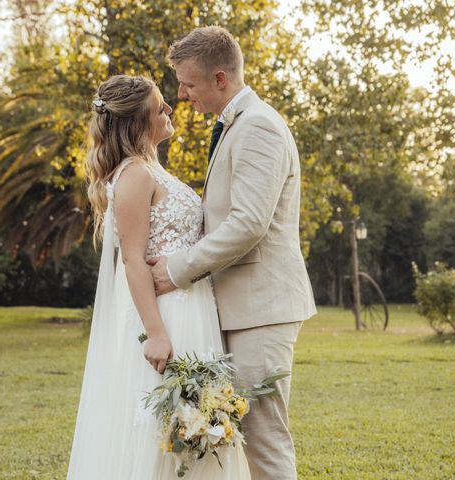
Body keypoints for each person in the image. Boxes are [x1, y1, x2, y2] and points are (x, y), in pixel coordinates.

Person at [149, 26, 317, 480]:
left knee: (264, 440)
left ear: (220, 78)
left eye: (189, 83)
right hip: (240, 309)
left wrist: (178, 270)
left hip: (261, 309)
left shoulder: (259, 125)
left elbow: (248, 223)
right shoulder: (235, 124)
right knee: (237, 440)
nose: (182, 94)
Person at [66, 74, 251, 479]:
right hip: (167, 316)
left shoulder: (151, 169)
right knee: (166, 430)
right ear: (137, 122)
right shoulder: (134, 174)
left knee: (196, 429)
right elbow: (132, 261)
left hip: (193, 308)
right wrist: (157, 332)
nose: (170, 108)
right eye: (159, 106)